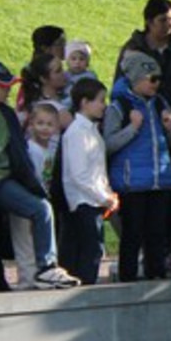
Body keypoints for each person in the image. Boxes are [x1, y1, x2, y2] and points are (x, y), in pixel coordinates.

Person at [0, 63, 78, 290]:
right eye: (4, 86)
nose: (9, 90)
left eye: (9, 85)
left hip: (4, 181)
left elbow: (18, 153)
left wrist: (32, 185)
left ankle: (46, 268)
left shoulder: (6, 114)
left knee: (41, 208)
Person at [104, 52, 171, 281]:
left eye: (159, 79)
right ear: (136, 79)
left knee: (157, 230)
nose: (157, 84)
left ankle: (155, 271)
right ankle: (128, 274)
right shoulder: (119, 107)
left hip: (159, 179)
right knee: (133, 231)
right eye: (152, 79)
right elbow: (108, 144)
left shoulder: (160, 103)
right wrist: (133, 128)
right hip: (132, 181)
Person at [60, 78, 116, 285]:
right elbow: (79, 174)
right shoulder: (77, 132)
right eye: (100, 100)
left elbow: (97, 169)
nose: (103, 105)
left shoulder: (90, 130)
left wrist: (107, 194)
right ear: (84, 102)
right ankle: (86, 285)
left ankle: (87, 282)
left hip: (93, 199)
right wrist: (103, 196)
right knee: (90, 249)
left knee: (94, 248)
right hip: (84, 200)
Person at [115, 0, 171, 102]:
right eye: (162, 20)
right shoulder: (134, 48)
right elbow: (120, 84)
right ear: (149, 22)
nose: (168, 24)